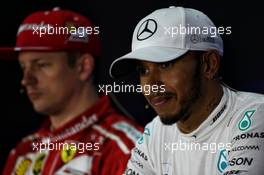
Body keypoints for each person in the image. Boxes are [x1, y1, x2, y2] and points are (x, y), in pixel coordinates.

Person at [109, 6, 264, 175]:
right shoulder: (155, 133)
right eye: (143, 71)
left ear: (209, 65)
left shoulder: (256, 114)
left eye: (165, 65)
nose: (151, 84)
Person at [0, 7, 143, 175]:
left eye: (41, 65)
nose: (26, 80)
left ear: (83, 67)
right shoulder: (23, 152)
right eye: (23, 67)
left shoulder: (124, 149)